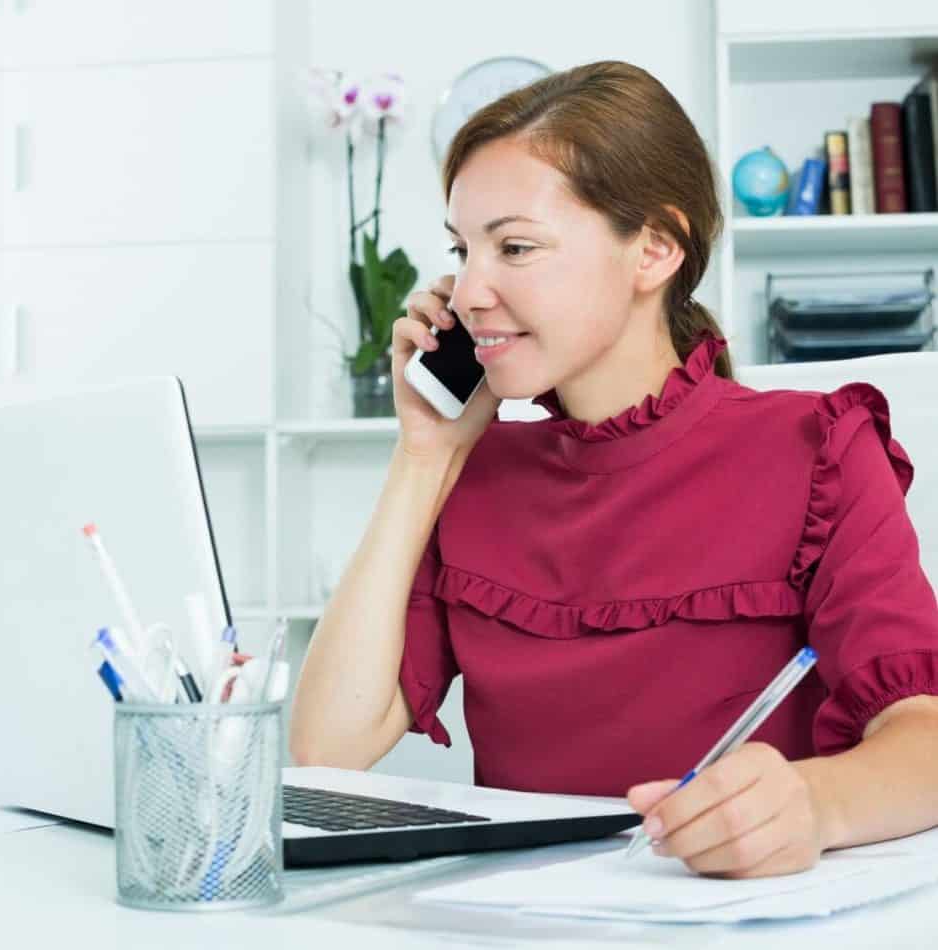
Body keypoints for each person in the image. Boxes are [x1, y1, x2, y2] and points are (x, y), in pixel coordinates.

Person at [289, 60, 938, 879]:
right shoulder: (475, 474)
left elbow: (925, 738)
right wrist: (424, 454)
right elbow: (327, 746)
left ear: (656, 248)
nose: (468, 293)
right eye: (464, 249)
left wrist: (815, 803)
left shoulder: (820, 447)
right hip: (523, 927)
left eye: (514, 247)